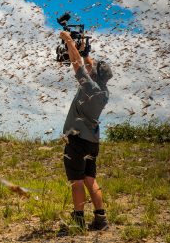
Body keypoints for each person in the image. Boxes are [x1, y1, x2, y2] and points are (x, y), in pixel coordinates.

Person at [58, 30, 113, 233]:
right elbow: (88, 65)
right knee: (91, 179)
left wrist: (69, 42)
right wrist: (85, 50)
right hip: (92, 142)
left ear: (94, 74)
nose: (91, 65)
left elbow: (77, 65)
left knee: (77, 182)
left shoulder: (89, 86)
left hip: (77, 140)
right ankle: (101, 219)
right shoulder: (103, 91)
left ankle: (78, 220)